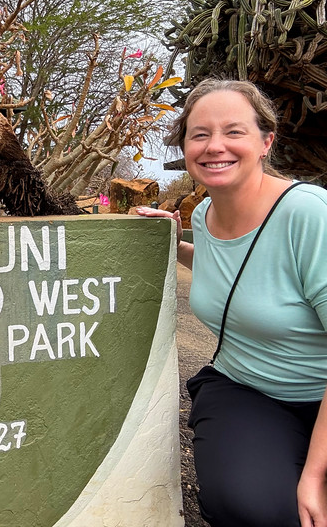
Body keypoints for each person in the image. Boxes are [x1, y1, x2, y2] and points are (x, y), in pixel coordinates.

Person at [137, 79, 327, 526]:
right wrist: (172, 242)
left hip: (318, 394)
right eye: (199, 134)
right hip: (247, 387)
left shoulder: (309, 214)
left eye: (234, 131)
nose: (214, 146)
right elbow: (234, 266)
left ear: (266, 141)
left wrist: (315, 475)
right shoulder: (203, 215)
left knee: (311, 505)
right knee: (257, 508)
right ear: (184, 145)